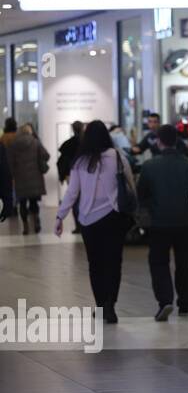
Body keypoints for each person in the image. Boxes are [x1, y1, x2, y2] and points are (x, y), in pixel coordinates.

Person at [55, 121, 135, 324]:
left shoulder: (80, 162)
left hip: (89, 220)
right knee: (114, 262)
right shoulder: (116, 156)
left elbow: (72, 193)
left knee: (95, 264)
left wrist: (60, 217)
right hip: (114, 217)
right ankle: (110, 305)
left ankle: (100, 304)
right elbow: (130, 184)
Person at [136, 124, 188, 321]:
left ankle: (165, 300)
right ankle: (185, 305)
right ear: (176, 141)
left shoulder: (149, 166)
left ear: (158, 141)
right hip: (185, 224)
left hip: (158, 224)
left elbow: (142, 196)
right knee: (184, 264)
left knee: (158, 262)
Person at [9, 124, 50, 234]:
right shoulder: (35, 142)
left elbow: (11, 163)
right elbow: (46, 155)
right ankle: (36, 221)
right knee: (33, 202)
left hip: (20, 179)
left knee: (22, 204)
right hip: (35, 178)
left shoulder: (14, 145)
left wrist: (12, 176)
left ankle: (26, 227)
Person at [56, 122, 85, 231]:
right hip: (86, 174)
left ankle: (78, 225)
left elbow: (62, 161)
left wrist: (62, 176)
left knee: (74, 199)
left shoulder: (68, 144)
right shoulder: (86, 143)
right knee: (85, 198)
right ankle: (84, 223)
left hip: (70, 174)